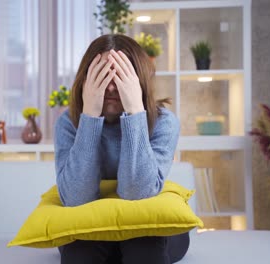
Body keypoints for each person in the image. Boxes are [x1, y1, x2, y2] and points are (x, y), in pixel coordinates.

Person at [54, 34, 189, 264]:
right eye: (103, 75)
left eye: (121, 75)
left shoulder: (165, 122)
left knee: (145, 248)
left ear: (139, 80)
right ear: (86, 80)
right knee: (79, 253)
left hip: (146, 228)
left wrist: (136, 110)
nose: (112, 86)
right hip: (93, 227)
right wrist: (89, 117)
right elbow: (77, 198)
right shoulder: (68, 122)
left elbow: (138, 193)